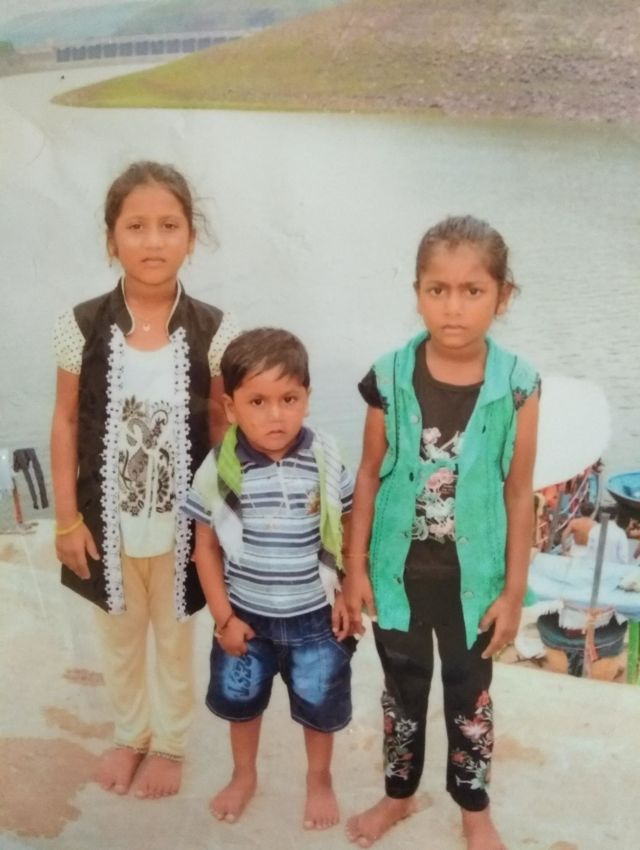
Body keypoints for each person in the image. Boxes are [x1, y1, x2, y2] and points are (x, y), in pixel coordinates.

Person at [343, 216, 540, 850]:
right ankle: (398, 795)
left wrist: (514, 591)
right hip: (397, 575)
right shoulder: (389, 376)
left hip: (473, 582)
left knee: (469, 696)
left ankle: (474, 810)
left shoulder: (518, 387)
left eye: (472, 290)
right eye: (438, 290)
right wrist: (354, 568)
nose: (453, 307)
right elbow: (369, 473)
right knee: (402, 692)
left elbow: (518, 492)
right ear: (418, 292)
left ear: (502, 296)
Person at [51, 161, 238, 800]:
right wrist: (67, 519)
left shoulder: (215, 330)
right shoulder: (80, 326)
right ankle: (131, 733)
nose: (153, 241)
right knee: (119, 637)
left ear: (191, 238)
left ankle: (170, 743)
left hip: (184, 528)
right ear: (112, 240)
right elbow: (64, 422)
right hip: (108, 524)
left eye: (168, 226)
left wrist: (223, 526)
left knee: (176, 636)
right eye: (135, 227)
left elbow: (223, 430)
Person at [184, 328, 355, 830]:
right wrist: (224, 619)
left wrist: (346, 594)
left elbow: (345, 529)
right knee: (242, 706)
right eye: (257, 401)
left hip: (315, 618)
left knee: (319, 707)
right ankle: (244, 775)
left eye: (289, 399)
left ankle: (319, 778)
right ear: (231, 407)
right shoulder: (219, 467)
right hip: (246, 620)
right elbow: (205, 549)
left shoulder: (324, 458)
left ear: (307, 398)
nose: (275, 414)